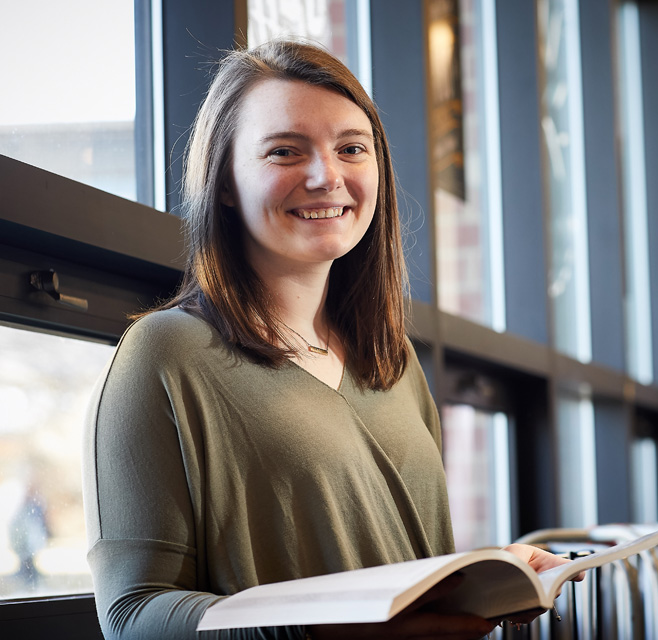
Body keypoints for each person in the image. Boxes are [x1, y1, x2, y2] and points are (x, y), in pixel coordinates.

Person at [82, 38, 571, 640]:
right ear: (225, 181)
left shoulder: (392, 359)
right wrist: (324, 633)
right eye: (285, 151)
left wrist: (487, 578)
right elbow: (133, 617)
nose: (326, 176)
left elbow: (395, 568)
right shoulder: (166, 354)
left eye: (351, 148)